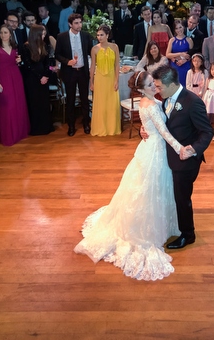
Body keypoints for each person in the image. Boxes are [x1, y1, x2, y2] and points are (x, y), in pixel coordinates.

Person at [74, 71, 186, 280]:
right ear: (142, 88)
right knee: (152, 188)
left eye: (155, 83)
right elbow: (164, 133)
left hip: (149, 146)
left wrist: (145, 128)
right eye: (151, 84)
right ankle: (152, 228)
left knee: (154, 188)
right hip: (155, 150)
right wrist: (181, 148)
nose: (156, 86)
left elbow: (150, 125)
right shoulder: (151, 104)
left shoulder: (146, 101)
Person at [147, 65, 214, 249]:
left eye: (159, 87)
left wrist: (193, 149)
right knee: (173, 194)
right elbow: (161, 125)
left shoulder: (193, 102)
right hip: (168, 156)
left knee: (182, 197)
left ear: (171, 84)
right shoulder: (165, 99)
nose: (157, 90)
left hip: (186, 161)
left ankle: (188, 234)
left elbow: (207, 131)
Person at [0, 26, 30, 145]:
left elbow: (18, 62)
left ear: (10, 34)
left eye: (5, 32)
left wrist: (19, 61)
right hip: (3, 78)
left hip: (16, 77)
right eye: (1, 32)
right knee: (7, 107)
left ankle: (19, 133)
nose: (3, 35)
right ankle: (8, 136)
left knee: (18, 105)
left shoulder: (14, 47)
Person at [56, 13, 93, 136]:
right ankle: (71, 126)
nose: (79, 25)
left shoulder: (86, 36)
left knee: (84, 99)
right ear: (70, 24)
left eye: (80, 22)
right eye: (76, 23)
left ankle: (86, 124)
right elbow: (57, 55)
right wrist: (68, 62)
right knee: (70, 99)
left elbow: (91, 52)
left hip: (82, 71)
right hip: (69, 72)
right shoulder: (62, 37)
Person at [20, 25, 54, 136]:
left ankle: (46, 127)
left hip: (44, 78)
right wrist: (40, 77)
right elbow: (28, 66)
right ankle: (36, 128)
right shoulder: (26, 47)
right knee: (34, 102)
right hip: (32, 79)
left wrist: (46, 75)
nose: (44, 36)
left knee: (44, 102)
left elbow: (48, 63)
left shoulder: (44, 45)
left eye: (44, 33)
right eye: (42, 34)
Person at [90, 25, 121, 137]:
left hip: (112, 77)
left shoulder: (115, 47)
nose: (99, 37)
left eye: (102, 35)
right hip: (100, 78)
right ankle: (100, 128)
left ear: (107, 35)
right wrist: (91, 82)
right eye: (98, 35)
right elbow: (92, 66)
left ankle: (112, 128)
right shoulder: (94, 49)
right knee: (101, 104)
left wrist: (117, 80)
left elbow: (117, 64)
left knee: (112, 104)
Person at [166, 19, 192, 87]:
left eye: (180, 27)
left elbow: (191, 55)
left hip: (186, 66)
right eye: (176, 28)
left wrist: (184, 60)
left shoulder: (189, 40)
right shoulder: (172, 40)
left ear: (183, 27)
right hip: (175, 66)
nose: (179, 30)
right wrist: (181, 54)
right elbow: (167, 54)